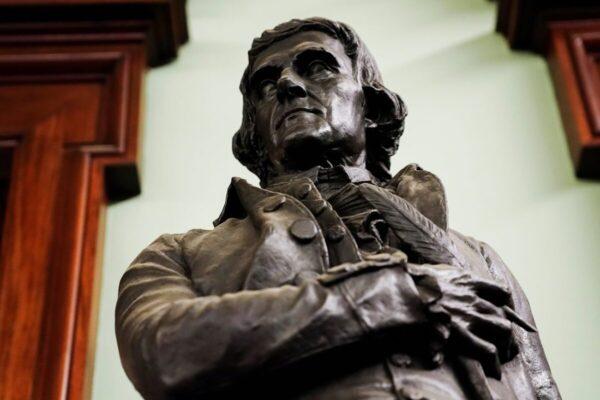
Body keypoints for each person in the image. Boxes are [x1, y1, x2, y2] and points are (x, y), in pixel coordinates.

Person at [116, 18, 561, 400]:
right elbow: (164, 350)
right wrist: (398, 296)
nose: (288, 84)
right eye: (266, 85)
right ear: (254, 133)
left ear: (371, 106)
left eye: (318, 68)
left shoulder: (478, 258)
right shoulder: (181, 254)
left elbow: (540, 389)